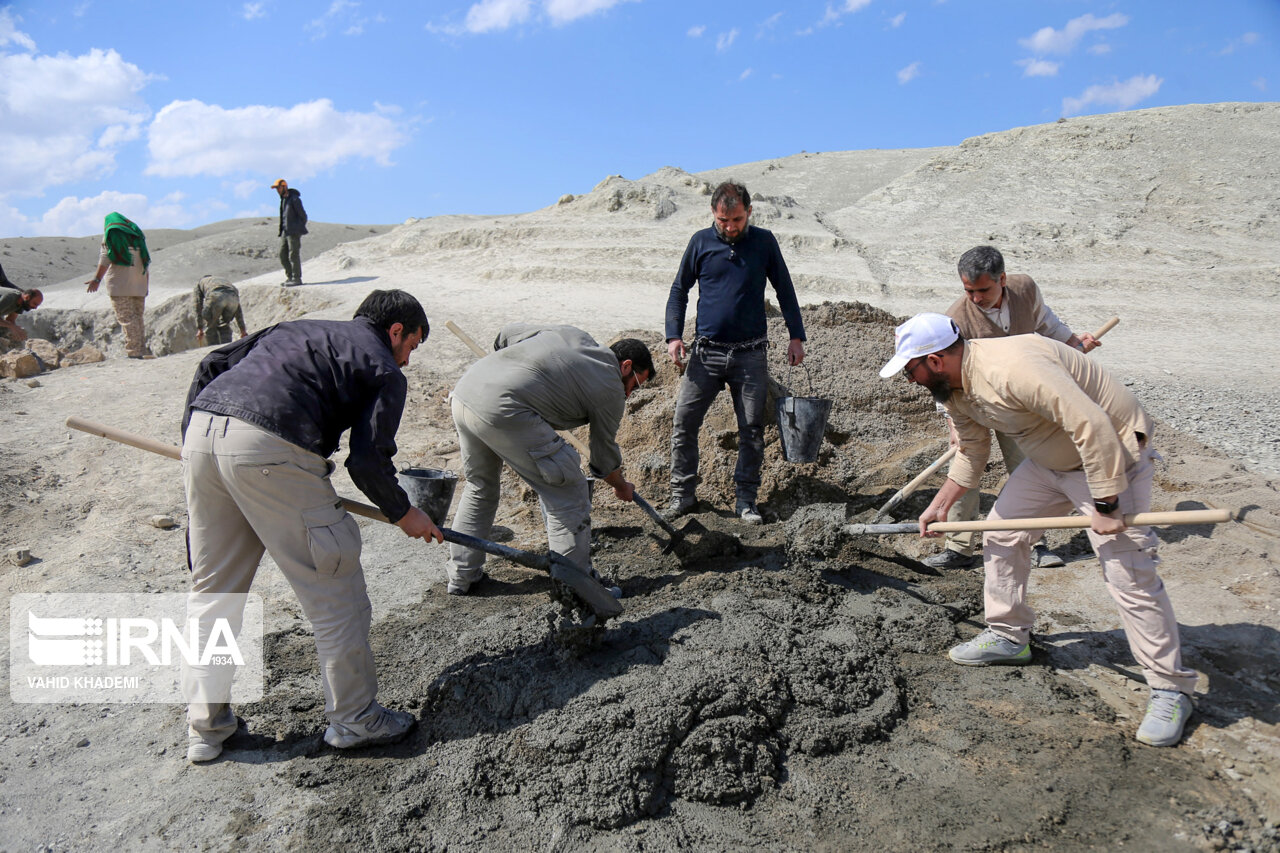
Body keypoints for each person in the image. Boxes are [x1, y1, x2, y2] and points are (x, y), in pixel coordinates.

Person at [882, 312, 1196, 747]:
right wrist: (941, 504)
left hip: (1110, 455)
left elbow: (1092, 425)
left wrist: (1106, 503)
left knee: (1128, 572)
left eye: (910, 370)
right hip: (1049, 461)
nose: (910, 380)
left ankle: (1170, 688)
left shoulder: (1013, 368)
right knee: (1001, 533)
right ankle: (1009, 636)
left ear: (934, 361)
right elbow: (972, 448)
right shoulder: (953, 388)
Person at [180, 289, 442, 763]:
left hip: (203, 433)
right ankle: (356, 719)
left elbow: (211, 365)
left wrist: (197, 451)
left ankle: (206, 728)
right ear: (396, 331)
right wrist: (405, 513)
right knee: (335, 587)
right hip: (272, 447)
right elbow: (366, 461)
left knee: (215, 594)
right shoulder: (383, 367)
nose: (407, 359)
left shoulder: (294, 329)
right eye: (412, 345)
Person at [924, 245, 1103, 571]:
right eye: (968, 291)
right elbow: (942, 377)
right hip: (971, 401)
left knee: (1027, 468)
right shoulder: (957, 319)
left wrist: (1073, 346)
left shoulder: (1024, 289)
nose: (975, 298)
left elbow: (1045, 323)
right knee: (965, 467)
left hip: (1018, 401)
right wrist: (952, 423)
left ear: (1002, 279)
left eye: (982, 290)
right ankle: (959, 547)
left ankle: (1033, 543)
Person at [446, 324, 653, 596]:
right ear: (626, 367)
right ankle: (578, 590)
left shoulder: (572, 335)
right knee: (570, 491)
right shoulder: (611, 387)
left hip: (467, 392)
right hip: (505, 409)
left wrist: (508, 373)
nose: (629, 394)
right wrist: (620, 485)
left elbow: (505, 335)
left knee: (480, 487)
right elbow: (603, 457)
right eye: (634, 385)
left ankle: (462, 577)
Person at [664, 181, 806, 525]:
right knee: (684, 423)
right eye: (723, 220)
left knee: (751, 431)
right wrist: (673, 335)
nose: (730, 227)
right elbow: (679, 290)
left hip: (750, 354)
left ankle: (746, 501)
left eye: (737, 220)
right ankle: (682, 496)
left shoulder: (764, 242)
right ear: (713, 213)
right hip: (706, 354)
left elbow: (785, 290)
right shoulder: (700, 242)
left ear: (749, 212)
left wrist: (796, 336)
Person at [86, 212, 151, 359]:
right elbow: (146, 262)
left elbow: (105, 258)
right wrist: (145, 285)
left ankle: (134, 352)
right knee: (138, 318)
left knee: (127, 319)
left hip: (120, 285)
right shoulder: (137, 237)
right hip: (139, 285)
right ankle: (142, 350)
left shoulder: (111, 236)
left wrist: (96, 279)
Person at [272, 179, 308, 286]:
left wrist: (297, 228)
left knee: (293, 254)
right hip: (285, 231)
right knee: (282, 255)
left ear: (284, 187)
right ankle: (290, 277)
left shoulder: (294, 199)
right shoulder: (284, 200)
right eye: (276, 189)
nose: (277, 190)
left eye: (278, 188)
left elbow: (303, 216)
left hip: (293, 231)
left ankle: (296, 278)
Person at [193, 276, 247, 345]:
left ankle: (215, 347)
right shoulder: (223, 281)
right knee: (225, 325)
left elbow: (197, 305)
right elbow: (238, 309)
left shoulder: (199, 284)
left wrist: (200, 328)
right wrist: (243, 330)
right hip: (233, 297)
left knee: (210, 327)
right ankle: (227, 346)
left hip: (215, 296)